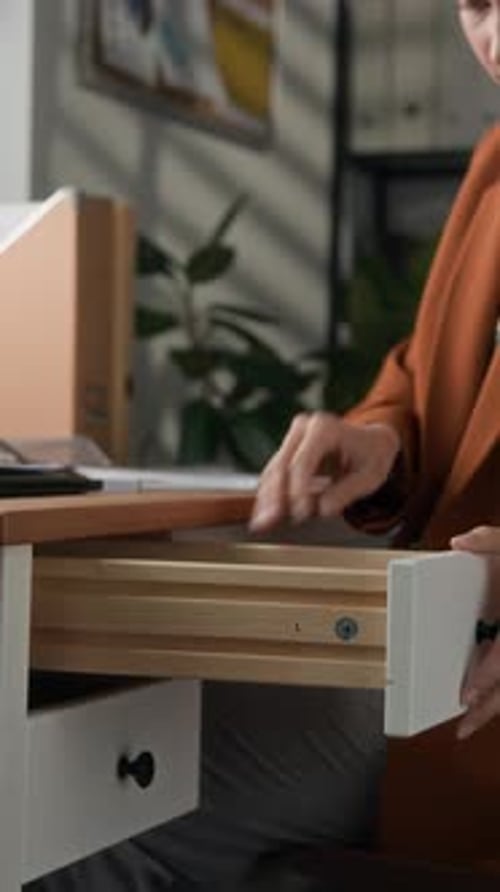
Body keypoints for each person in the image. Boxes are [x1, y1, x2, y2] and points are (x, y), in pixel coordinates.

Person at [28, 2, 500, 889]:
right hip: (421, 645)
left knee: (81, 816)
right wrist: (377, 435)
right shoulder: (496, 164)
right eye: (475, 6)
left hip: (466, 707)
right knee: (77, 726)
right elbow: (422, 372)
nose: (496, 43)